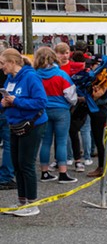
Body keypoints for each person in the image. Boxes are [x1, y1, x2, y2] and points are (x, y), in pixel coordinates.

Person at [0, 48, 48, 217]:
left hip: (32, 124)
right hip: (14, 124)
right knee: (17, 163)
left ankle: (33, 203)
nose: (1, 67)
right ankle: (22, 201)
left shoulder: (31, 77)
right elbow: (6, 101)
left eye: (2, 63)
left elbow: (41, 101)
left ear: (12, 62)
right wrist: (4, 104)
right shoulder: (9, 79)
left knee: (26, 164)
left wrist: (17, 101)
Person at [33, 47, 78, 184]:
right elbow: (71, 96)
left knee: (45, 142)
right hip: (61, 110)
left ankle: (44, 172)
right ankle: (63, 172)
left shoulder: (35, 75)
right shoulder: (61, 74)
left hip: (44, 110)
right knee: (62, 142)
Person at [0, 44, 15, 191]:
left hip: (3, 107)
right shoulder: (7, 73)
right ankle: (5, 176)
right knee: (8, 144)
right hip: (4, 109)